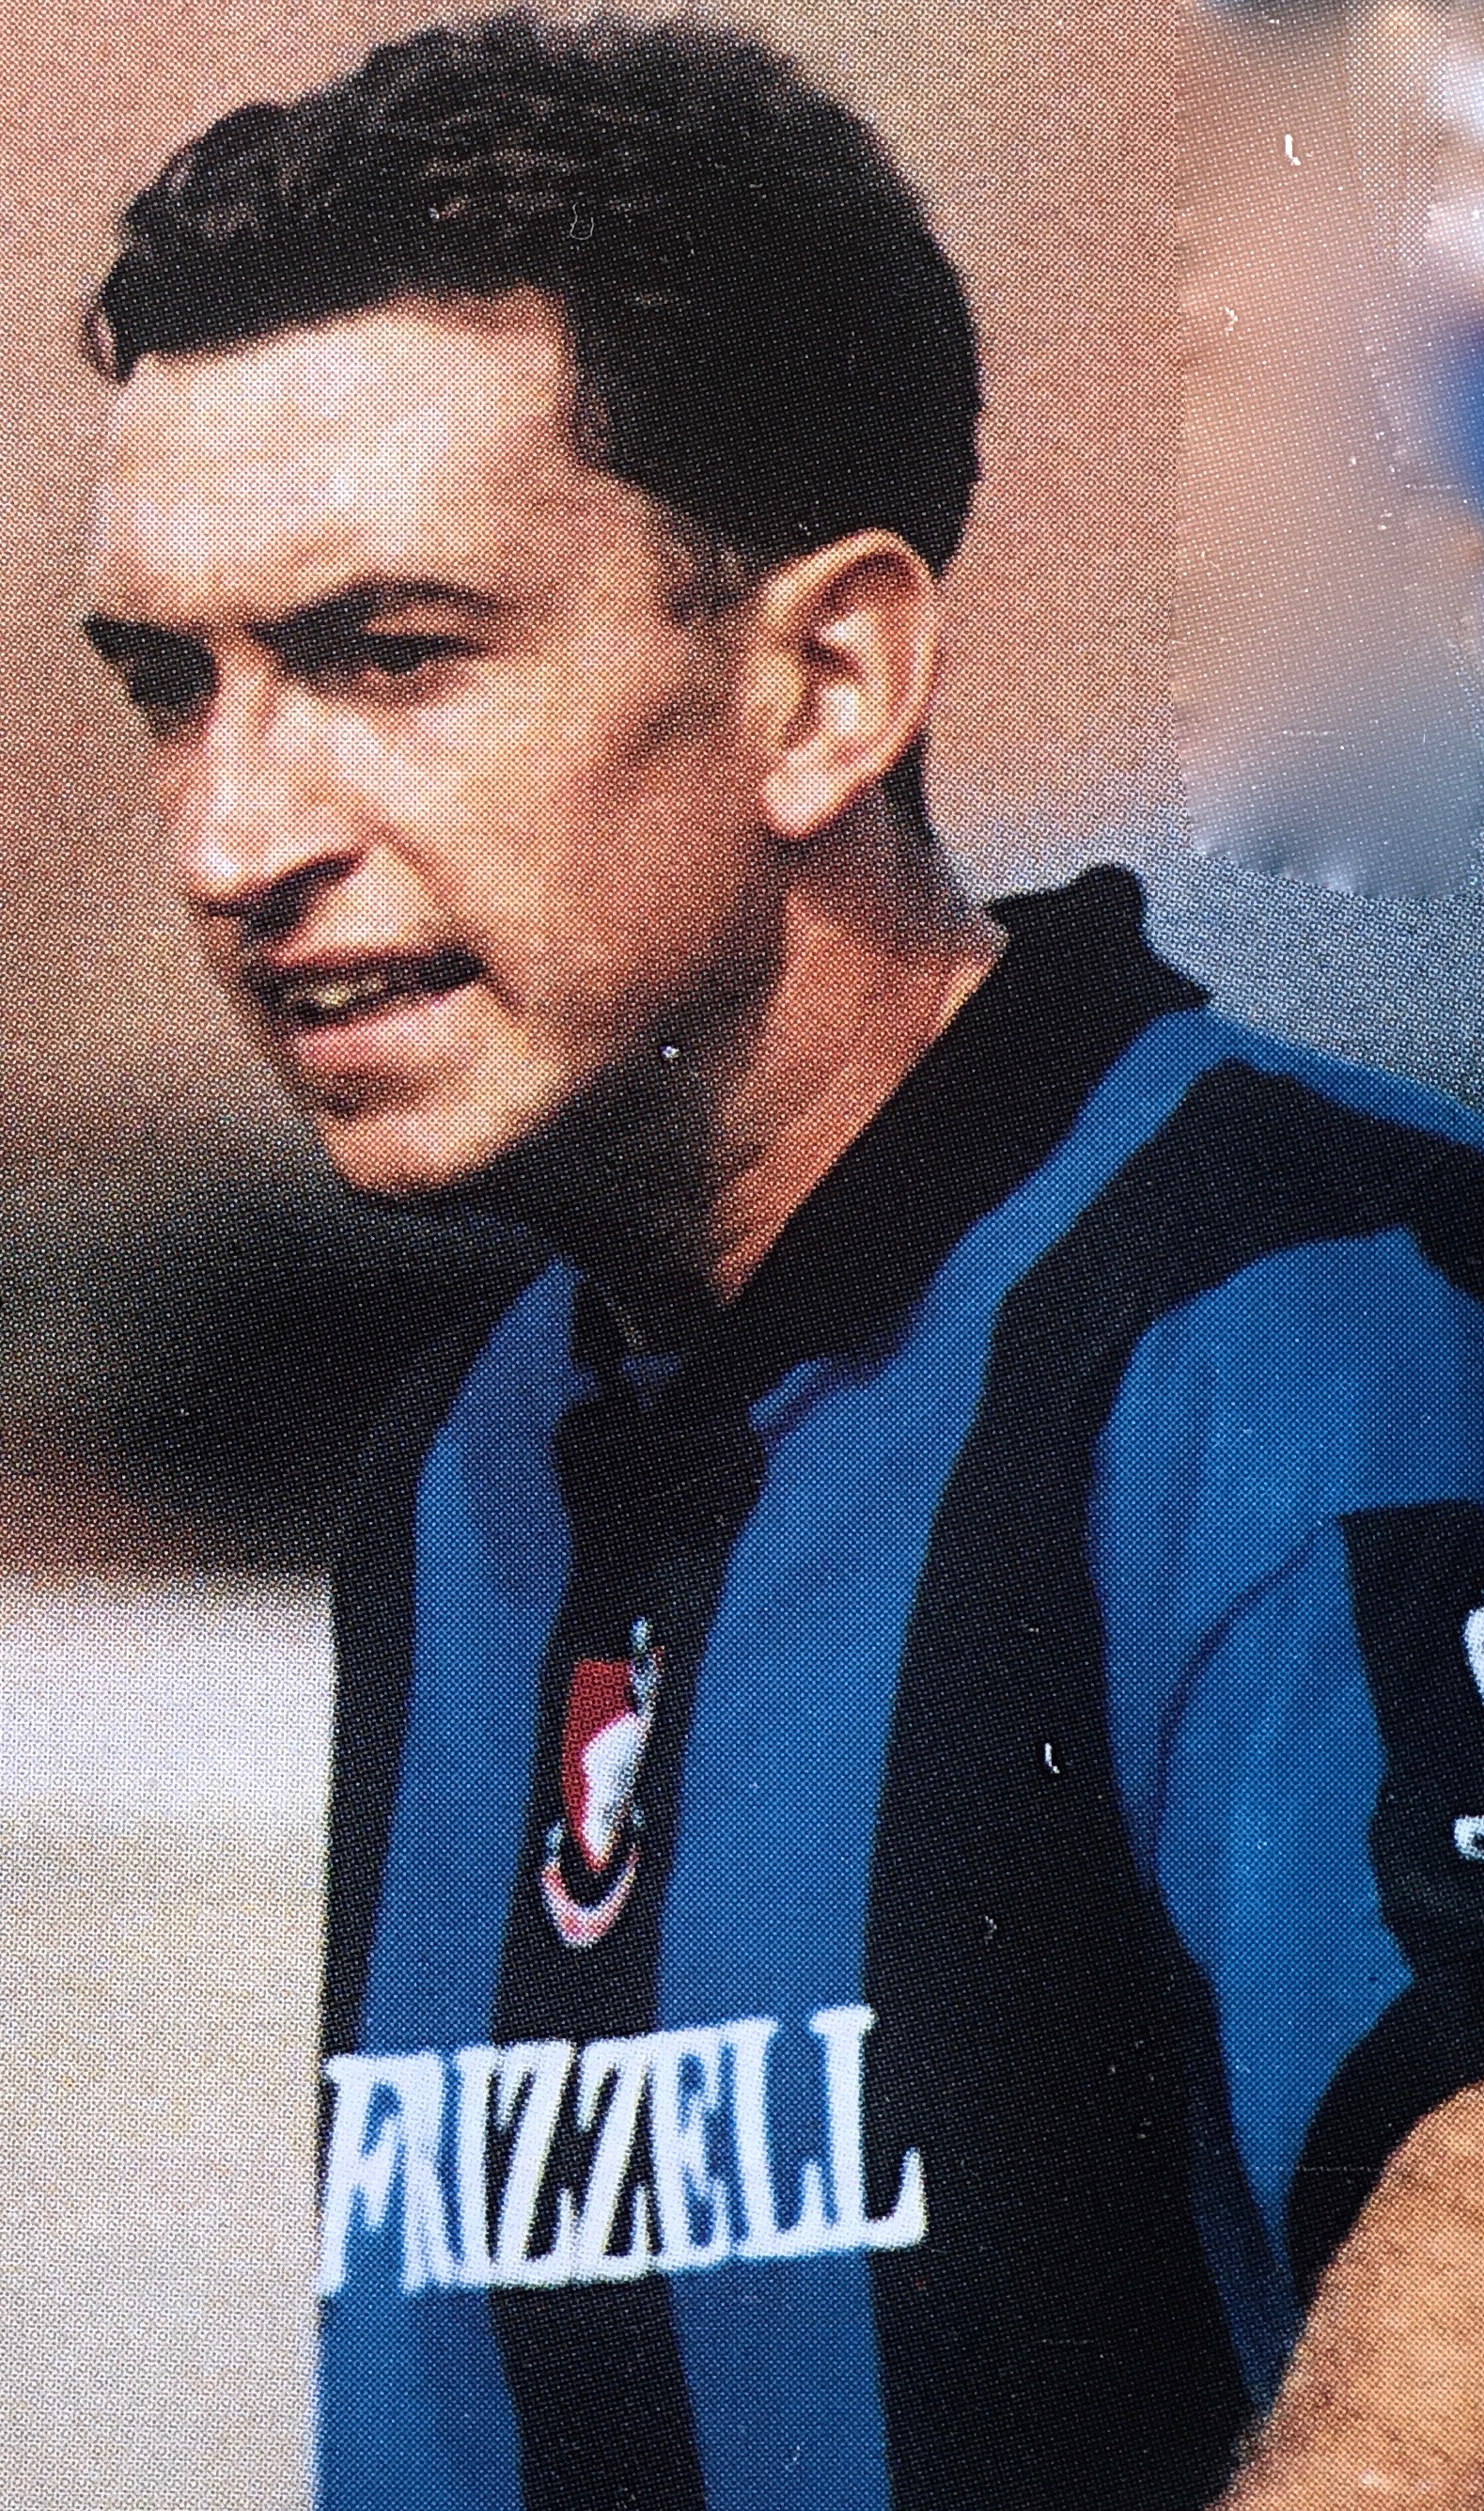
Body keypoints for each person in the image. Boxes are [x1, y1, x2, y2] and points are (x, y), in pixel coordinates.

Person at [76, 13, 1484, 2507]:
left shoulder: (1308, 1319)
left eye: (392, 656)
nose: (231, 837)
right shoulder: (474, 1454)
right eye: (176, 687)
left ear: (827, 682)